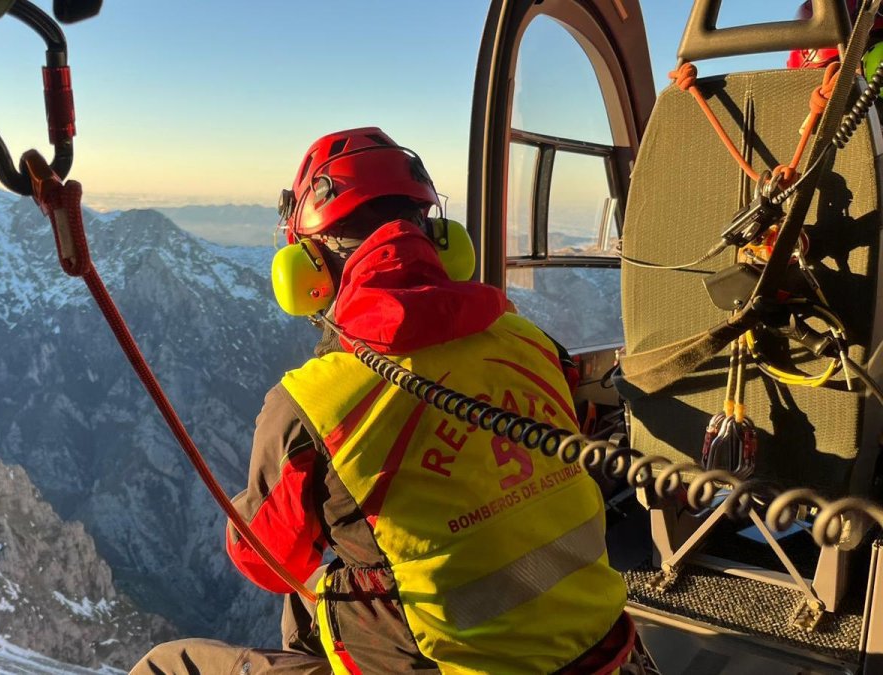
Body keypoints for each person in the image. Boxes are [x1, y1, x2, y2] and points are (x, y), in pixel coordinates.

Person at [132, 128, 639, 674]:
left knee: (168, 665)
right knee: (323, 590)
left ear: (309, 269)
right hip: (605, 652)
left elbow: (266, 561)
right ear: (442, 243)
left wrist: (252, 502)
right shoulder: (530, 343)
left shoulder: (313, 405)